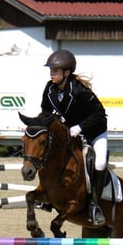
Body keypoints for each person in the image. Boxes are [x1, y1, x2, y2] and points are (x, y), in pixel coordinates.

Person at [40, 49, 109, 226]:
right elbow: (46, 112)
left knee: (100, 162)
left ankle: (94, 205)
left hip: (94, 131)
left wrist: (80, 127)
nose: (52, 74)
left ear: (67, 72)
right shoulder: (49, 89)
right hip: (70, 132)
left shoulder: (80, 91)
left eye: (55, 70)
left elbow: (100, 114)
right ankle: (47, 195)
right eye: (51, 70)